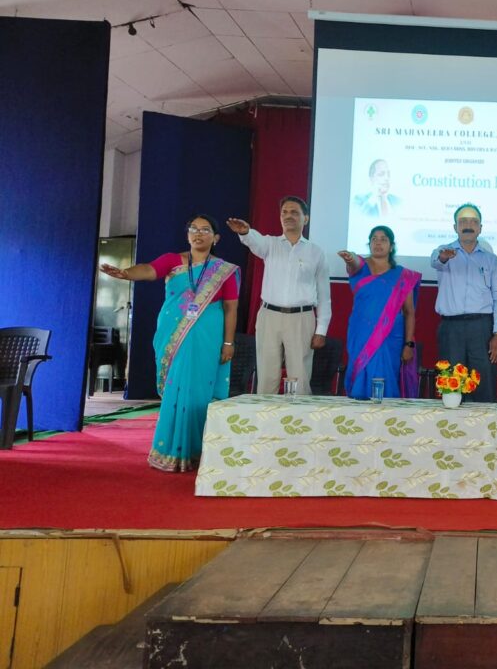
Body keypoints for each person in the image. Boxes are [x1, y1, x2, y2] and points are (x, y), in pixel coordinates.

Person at [100, 214, 239, 472]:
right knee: (177, 388)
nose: (198, 233)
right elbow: (148, 270)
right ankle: (171, 452)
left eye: (205, 230)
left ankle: (199, 452)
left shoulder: (224, 271)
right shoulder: (172, 261)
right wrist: (126, 273)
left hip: (208, 339)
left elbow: (231, 309)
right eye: (193, 228)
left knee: (200, 391)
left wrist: (228, 343)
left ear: (216, 238)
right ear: (187, 235)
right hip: (175, 334)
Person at [227, 197, 331, 395]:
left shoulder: (316, 252)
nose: (288, 216)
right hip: (269, 316)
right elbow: (254, 241)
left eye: (294, 212)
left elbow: (325, 297)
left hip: (301, 318)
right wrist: (245, 232)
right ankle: (265, 415)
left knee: (300, 377)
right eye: (284, 212)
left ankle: (299, 415)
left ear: (306, 219)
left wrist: (322, 330)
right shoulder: (270, 244)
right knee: (267, 376)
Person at [431, 203, 497, 402]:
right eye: (463, 221)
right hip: (451, 328)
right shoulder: (444, 252)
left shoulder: (491, 260)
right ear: (455, 227)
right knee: (452, 386)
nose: (468, 226)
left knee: (484, 384)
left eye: (473, 222)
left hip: (481, 328)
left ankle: (484, 422)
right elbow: (436, 261)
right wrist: (444, 257)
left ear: (480, 228)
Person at [339, 226, 421, 399]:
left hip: (391, 336)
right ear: (369, 244)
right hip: (362, 332)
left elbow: (409, 312)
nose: (378, 242)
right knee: (361, 374)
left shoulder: (403, 275)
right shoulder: (360, 267)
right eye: (374, 239)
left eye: (383, 239)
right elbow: (354, 262)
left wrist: (409, 344)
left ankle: (387, 415)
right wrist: (350, 257)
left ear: (391, 246)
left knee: (386, 378)